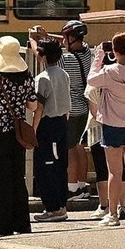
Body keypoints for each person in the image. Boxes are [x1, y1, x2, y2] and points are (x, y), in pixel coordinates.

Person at [0, 36, 38, 236]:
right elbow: (33, 105)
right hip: (17, 135)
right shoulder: (26, 78)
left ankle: (1, 225)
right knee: (16, 178)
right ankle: (22, 223)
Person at [87, 32, 125, 227]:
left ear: (114, 50)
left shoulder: (109, 72)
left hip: (112, 126)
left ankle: (112, 214)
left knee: (114, 173)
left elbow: (91, 80)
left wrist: (99, 55)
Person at [30, 39, 71, 222]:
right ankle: (61, 205)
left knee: (47, 167)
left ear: (44, 56)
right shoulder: (64, 74)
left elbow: (39, 108)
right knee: (60, 165)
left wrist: (33, 130)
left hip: (48, 126)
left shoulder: (42, 79)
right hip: (62, 122)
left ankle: (53, 207)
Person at [58, 20, 94, 201]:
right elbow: (69, 45)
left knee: (70, 149)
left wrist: (35, 39)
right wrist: (48, 37)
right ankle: (82, 185)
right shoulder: (87, 52)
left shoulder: (66, 60)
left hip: (71, 110)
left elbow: (43, 55)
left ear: (71, 38)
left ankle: (72, 189)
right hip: (84, 108)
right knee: (80, 147)